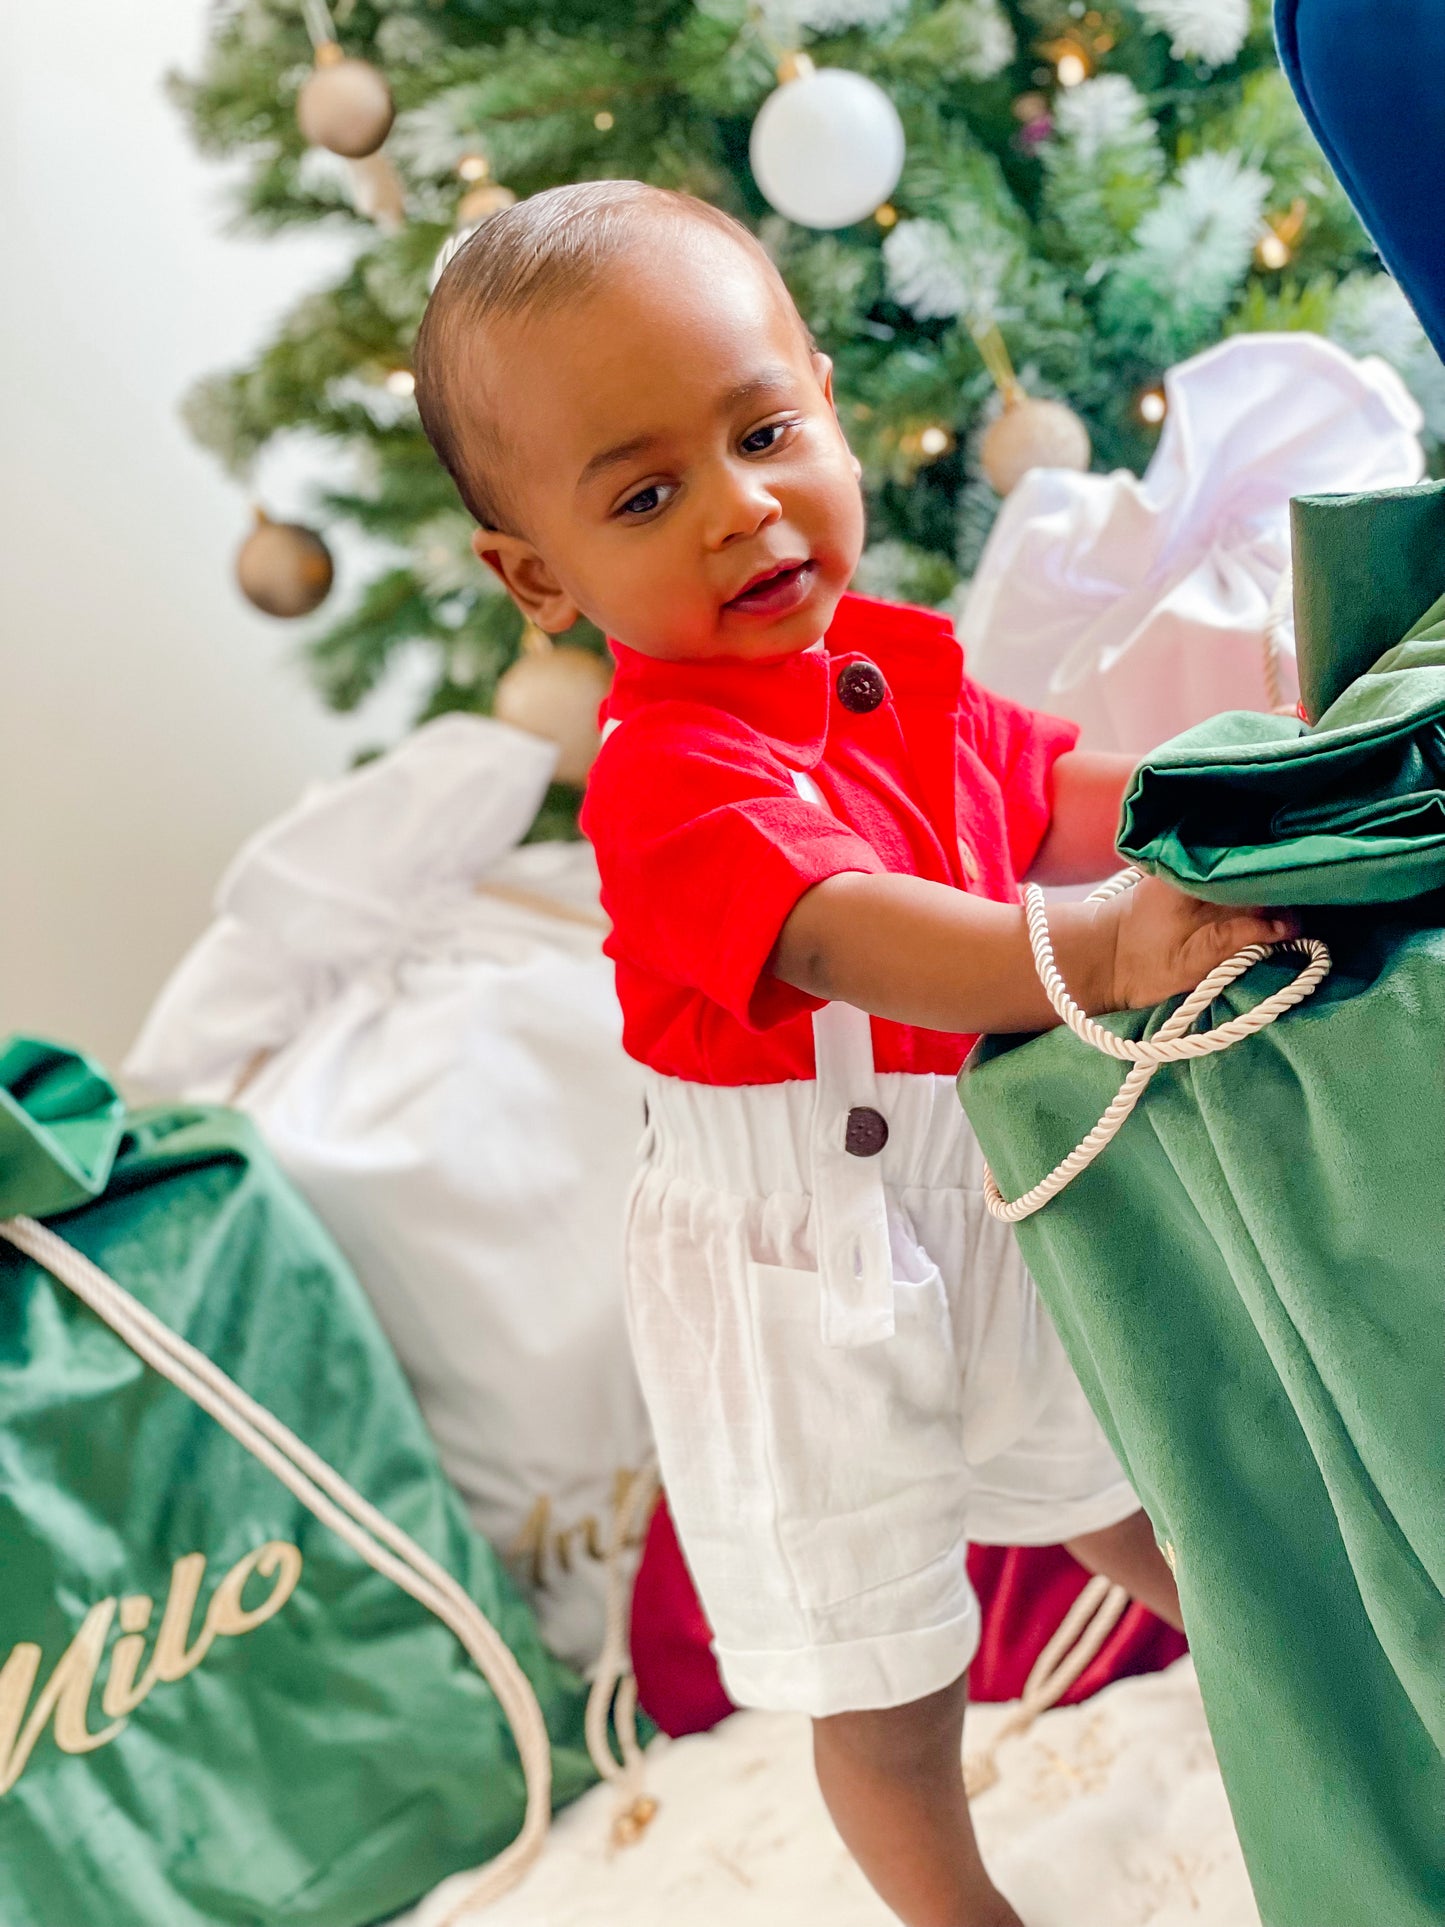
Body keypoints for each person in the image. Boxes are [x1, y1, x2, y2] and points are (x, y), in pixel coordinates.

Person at [413, 179, 1292, 1927]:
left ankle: (1297, 1682)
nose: (742, 509)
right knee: (882, 1666)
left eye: (763, 431)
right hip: (790, 1272)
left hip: (977, 1193)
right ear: (537, 576)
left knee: (1125, 1486)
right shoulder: (666, 777)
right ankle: (958, 1911)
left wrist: (1224, 809)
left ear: (818, 391)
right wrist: (1109, 943)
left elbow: (1046, 792)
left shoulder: (895, 670)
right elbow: (852, 931)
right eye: (648, 495)